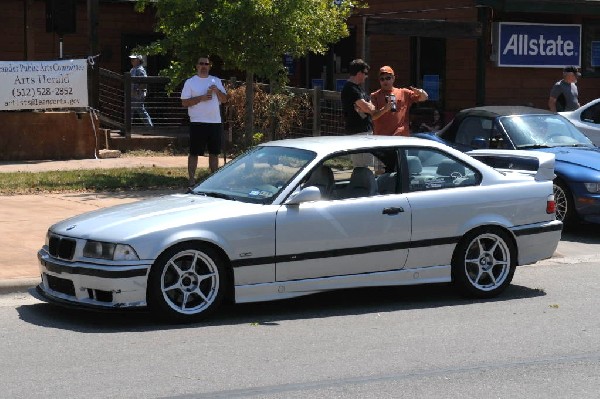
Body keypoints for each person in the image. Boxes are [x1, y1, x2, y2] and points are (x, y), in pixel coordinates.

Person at [181, 56, 228, 186]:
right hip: (197, 122)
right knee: (194, 152)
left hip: (214, 122)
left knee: (214, 153)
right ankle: (191, 179)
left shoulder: (216, 81)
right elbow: (184, 102)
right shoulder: (190, 82)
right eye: (201, 63)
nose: (203, 66)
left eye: (206, 64)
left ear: (209, 66)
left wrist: (217, 91)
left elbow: (224, 100)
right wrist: (201, 98)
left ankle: (213, 180)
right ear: (197, 66)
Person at [370, 66, 428, 136]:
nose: (385, 81)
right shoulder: (374, 96)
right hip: (383, 137)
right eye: (382, 79)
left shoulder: (403, 93)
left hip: (401, 137)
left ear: (393, 78)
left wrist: (420, 91)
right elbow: (373, 116)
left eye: (388, 78)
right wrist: (385, 109)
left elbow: (424, 97)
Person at [341, 59, 383, 134]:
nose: (366, 76)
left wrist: (365, 108)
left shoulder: (359, 88)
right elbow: (368, 108)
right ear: (359, 73)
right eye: (365, 73)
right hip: (356, 132)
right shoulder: (350, 88)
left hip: (365, 130)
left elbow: (371, 108)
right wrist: (367, 108)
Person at [128, 54, 153, 127]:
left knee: (140, 110)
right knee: (131, 111)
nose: (132, 60)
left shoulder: (140, 70)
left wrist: (137, 89)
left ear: (138, 60)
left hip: (138, 95)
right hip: (132, 94)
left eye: (134, 59)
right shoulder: (132, 69)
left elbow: (144, 82)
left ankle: (150, 127)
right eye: (131, 59)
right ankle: (127, 128)